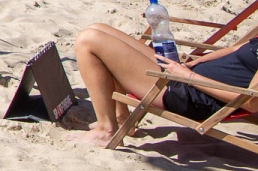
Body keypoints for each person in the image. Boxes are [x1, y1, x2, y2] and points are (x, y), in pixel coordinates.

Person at [72, 18, 258, 146]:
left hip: (189, 95)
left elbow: (251, 102)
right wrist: (193, 64)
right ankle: (121, 116)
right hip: (183, 77)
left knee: (88, 41)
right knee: (99, 28)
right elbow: (234, 49)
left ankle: (106, 130)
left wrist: (189, 77)